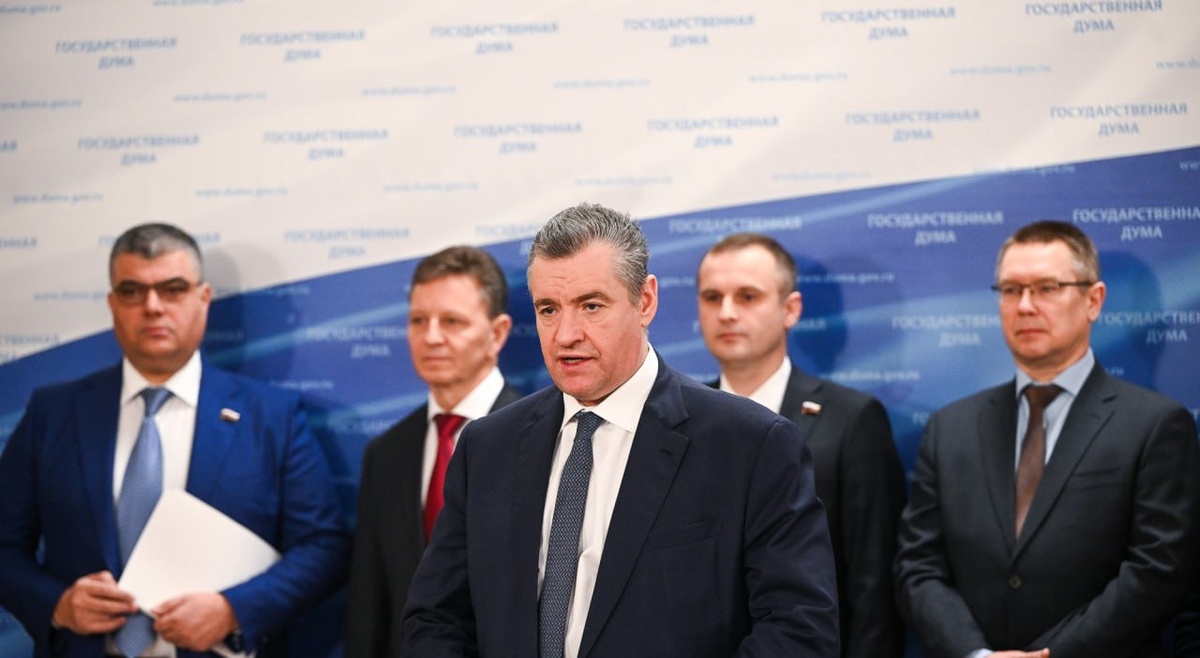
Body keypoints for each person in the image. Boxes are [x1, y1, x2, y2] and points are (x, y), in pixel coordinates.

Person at [401, 202, 840, 657]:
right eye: (548, 309)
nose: (566, 334)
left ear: (644, 301)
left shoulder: (750, 445)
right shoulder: (487, 447)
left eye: (591, 306)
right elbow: (436, 619)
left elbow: (798, 631)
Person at [0, 223, 350, 657]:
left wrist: (233, 611)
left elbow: (324, 548)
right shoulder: (52, 413)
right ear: (112, 304)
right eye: (132, 291)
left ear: (203, 299)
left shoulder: (271, 417)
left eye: (173, 289)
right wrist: (57, 605)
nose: (152, 307)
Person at [894, 220, 1200, 658]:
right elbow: (918, 567)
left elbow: (1158, 570)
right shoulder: (951, 428)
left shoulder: (1155, 425)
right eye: (1011, 290)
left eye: (1047, 288)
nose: (1025, 306)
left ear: (1093, 300)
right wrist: (976, 654)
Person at [696, 232, 906, 658]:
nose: (727, 312)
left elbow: (874, 589)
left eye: (748, 296)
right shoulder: (680, 419)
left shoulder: (852, 420)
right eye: (713, 297)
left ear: (790, 309)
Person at [345, 245, 524, 658]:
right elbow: (369, 607)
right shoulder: (386, 453)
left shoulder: (543, 438)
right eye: (418, 321)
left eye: (452, 321)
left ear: (497, 333)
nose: (431, 337)